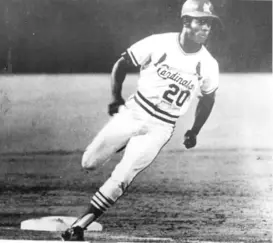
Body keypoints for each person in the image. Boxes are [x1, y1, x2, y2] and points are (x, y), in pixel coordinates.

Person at [61, 0, 221, 240]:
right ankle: (124, 141)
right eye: (201, 21)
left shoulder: (208, 64)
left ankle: (78, 227)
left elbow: (208, 99)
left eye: (209, 23)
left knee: (123, 176)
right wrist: (115, 97)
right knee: (89, 163)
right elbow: (122, 64)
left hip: (161, 127)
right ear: (186, 21)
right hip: (134, 112)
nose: (206, 28)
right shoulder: (159, 42)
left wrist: (194, 130)